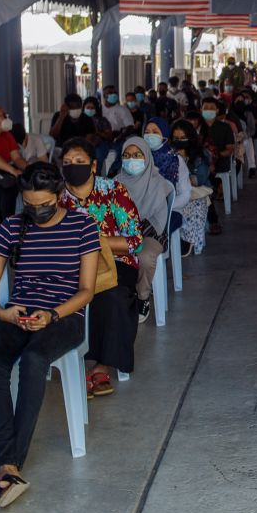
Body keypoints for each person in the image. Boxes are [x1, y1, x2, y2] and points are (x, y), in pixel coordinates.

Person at [0, 162, 100, 508]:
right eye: (29, 204)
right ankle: (8, 466)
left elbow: (86, 290)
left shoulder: (82, 226)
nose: (36, 211)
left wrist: (53, 314)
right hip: (17, 314)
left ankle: (9, 465)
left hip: (64, 316)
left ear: (59, 197)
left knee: (33, 359)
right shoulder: (13, 227)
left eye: (43, 204)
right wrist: (2, 313)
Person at [59, 138, 143, 396]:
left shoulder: (113, 191)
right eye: (67, 163)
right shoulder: (57, 199)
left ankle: (102, 365)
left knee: (113, 296)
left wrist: (93, 243)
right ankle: (67, 359)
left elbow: (134, 241)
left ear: (93, 165)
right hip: (72, 267)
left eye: (80, 162)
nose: (73, 167)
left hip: (116, 264)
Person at [117, 137, 174, 322]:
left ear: (147, 157)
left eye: (136, 155)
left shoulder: (158, 183)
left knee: (144, 256)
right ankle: (119, 298)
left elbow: (159, 219)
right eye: (127, 155)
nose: (131, 160)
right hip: (122, 231)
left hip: (150, 232)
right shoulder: (116, 183)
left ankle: (142, 297)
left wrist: (135, 231)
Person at [171, 119, 216, 249]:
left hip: (194, 197)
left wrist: (180, 163)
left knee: (190, 205)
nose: (179, 141)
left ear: (190, 138)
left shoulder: (201, 155)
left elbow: (197, 180)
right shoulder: (168, 155)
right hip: (175, 195)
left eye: (183, 138)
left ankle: (189, 243)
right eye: (176, 138)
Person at [142, 118, 191, 229]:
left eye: (155, 132)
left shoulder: (175, 160)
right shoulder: (138, 158)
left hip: (171, 209)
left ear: (164, 136)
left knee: (153, 229)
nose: (150, 135)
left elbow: (185, 194)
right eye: (146, 132)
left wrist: (164, 206)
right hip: (142, 209)